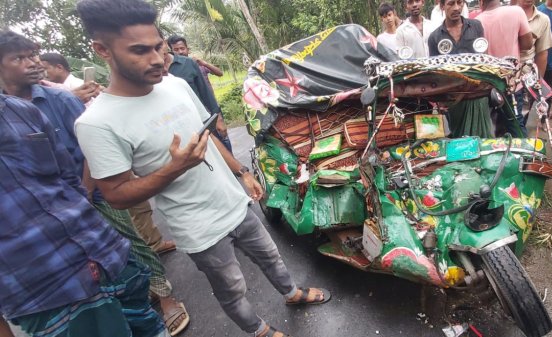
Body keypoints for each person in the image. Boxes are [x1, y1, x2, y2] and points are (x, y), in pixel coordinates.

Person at [74, 2, 332, 337]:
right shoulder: (97, 122)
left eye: (157, 48)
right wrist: (174, 168)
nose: (155, 59)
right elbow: (116, 195)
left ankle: (292, 293)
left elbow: (206, 135)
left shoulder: (175, 86)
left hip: (233, 204)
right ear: (102, 50)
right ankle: (258, 330)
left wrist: (242, 172)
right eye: (139, 51)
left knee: (271, 257)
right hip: (197, 227)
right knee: (232, 288)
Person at [0, 30, 190, 336]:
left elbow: (87, 150)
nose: (32, 63)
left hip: (93, 199)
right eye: (19, 58)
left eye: (33, 55)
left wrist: (85, 195)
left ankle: (166, 298)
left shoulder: (47, 104)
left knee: (134, 244)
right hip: (39, 284)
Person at [0, 94, 166, 337]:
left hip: (109, 257)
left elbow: (68, 177)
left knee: (152, 328)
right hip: (46, 292)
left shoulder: (21, 110)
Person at [428, 0, 492, 138]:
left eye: (459, 2)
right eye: (451, 3)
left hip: (478, 95)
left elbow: (483, 58)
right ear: (442, 6)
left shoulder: (475, 26)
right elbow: (435, 73)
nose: (456, 8)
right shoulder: (435, 37)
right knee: (458, 138)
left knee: (484, 139)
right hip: (453, 99)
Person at [166, 36, 232, 152]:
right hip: (187, 120)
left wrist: (218, 118)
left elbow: (206, 89)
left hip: (207, 113)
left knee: (223, 145)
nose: (180, 52)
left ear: (187, 49)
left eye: (182, 48)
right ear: (169, 49)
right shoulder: (162, 70)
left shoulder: (191, 63)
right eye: (176, 49)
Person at [515, 0, 552, 127]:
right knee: (500, 119)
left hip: (527, 76)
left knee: (521, 119)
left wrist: (538, 82)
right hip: (504, 75)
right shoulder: (505, 15)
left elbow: (542, 53)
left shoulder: (543, 20)